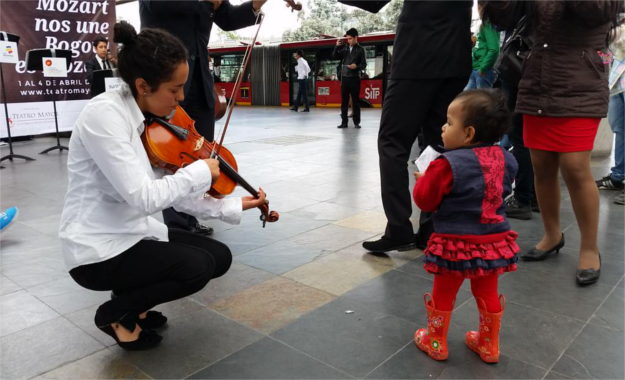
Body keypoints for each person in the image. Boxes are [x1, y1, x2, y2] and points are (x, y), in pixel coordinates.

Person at [59, 22, 268, 350]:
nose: (181, 98)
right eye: (174, 89)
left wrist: (234, 204)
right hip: (98, 249)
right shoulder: (104, 117)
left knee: (218, 256)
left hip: (134, 234)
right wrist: (200, 170)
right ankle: (117, 312)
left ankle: (135, 305)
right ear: (143, 85)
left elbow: (175, 195)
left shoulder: (147, 117)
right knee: (197, 267)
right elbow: (145, 197)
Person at [483, 0, 623, 285]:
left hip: (580, 81)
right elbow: (503, 17)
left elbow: (599, 10)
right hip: (538, 82)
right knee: (541, 165)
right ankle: (552, 235)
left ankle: (589, 247)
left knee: (574, 167)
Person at [340, 0, 472, 252]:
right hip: (455, 59)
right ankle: (432, 229)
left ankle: (399, 229)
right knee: (439, 144)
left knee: (393, 143)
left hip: (416, 57)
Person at [140, 0, 266, 236]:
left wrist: (257, 4)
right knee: (172, 157)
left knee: (197, 153)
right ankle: (178, 226)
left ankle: (189, 218)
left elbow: (227, 18)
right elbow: (156, 5)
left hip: (199, 81)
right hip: (166, 79)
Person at [412, 89, 518, 363]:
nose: (443, 127)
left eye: (449, 122)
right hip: (493, 241)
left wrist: (424, 178)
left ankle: (435, 342)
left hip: (454, 243)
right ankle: (489, 345)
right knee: (487, 293)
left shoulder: (446, 164)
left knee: (444, 292)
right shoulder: (507, 159)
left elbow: (425, 201)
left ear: (468, 133)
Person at [596, 15, 625, 205]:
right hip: (616, 81)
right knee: (619, 129)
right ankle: (618, 176)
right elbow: (607, 52)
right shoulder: (615, 21)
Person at [333, 28, 367, 129]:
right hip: (344, 78)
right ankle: (344, 122)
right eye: (347, 39)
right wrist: (336, 46)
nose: (348, 41)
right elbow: (335, 57)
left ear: (356, 37)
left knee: (355, 101)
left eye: (350, 39)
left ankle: (356, 122)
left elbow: (364, 64)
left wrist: (356, 66)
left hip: (354, 78)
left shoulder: (361, 50)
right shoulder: (345, 49)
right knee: (344, 101)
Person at [465, 1, 500, 90]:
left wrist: (483, 67)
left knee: (483, 100)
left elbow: (494, 49)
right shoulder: (483, 24)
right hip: (475, 68)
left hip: (484, 70)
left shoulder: (488, 24)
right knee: (466, 98)